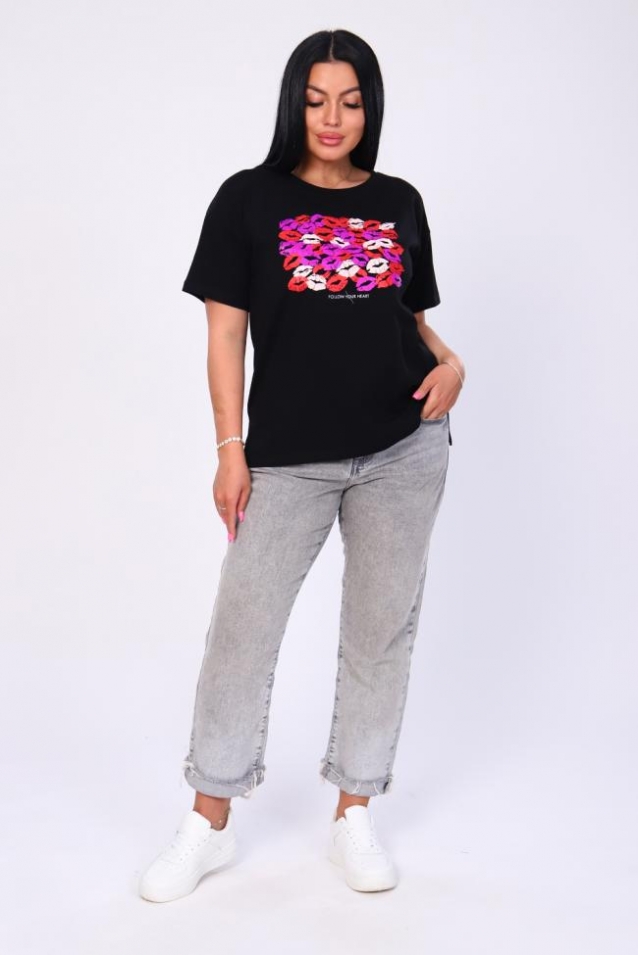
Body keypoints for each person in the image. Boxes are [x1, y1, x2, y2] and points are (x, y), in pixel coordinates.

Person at [139, 27, 465, 902]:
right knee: (242, 627)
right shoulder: (248, 199)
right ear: (294, 102)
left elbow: (410, 319)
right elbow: (225, 336)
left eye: (350, 101)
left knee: (380, 631)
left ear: (370, 109)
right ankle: (208, 820)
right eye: (317, 99)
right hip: (287, 458)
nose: (333, 117)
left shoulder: (399, 200)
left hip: (403, 448)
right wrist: (230, 448)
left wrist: (452, 363)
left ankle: (354, 809)